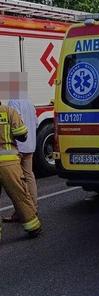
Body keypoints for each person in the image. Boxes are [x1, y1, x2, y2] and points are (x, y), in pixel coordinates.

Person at [0, 100, 42, 240]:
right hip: (8, 163)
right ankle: (33, 227)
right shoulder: (8, 111)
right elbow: (22, 135)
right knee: (20, 195)